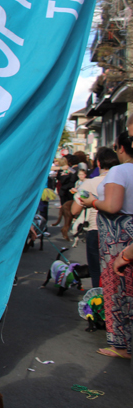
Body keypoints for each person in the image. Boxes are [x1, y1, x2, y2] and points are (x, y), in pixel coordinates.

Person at [80, 131, 133, 359]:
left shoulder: (120, 171)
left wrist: (91, 202)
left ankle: (121, 344)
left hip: (118, 237)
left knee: (117, 288)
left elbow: (112, 206)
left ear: (120, 147)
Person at [72, 147, 117, 289]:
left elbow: (74, 210)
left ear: (98, 163)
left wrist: (88, 203)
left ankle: (99, 305)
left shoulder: (89, 183)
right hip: (119, 231)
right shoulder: (122, 181)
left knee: (97, 271)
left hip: (96, 229)